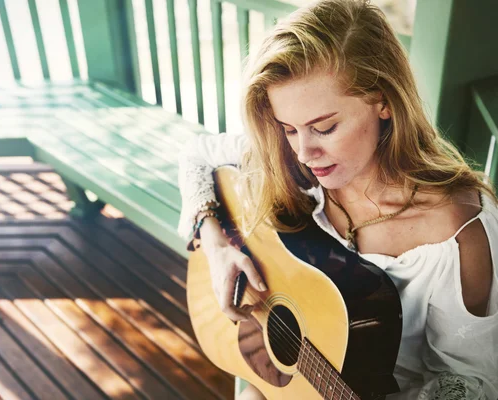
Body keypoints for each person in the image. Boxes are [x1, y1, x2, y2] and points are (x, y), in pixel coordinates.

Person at [176, 0, 498, 399]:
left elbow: (473, 382)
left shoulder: (455, 233)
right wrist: (217, 245)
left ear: (383, 101)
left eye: (324, 128)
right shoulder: (289, 163)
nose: (303, 153)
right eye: (288, 129)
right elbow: (195, 155)